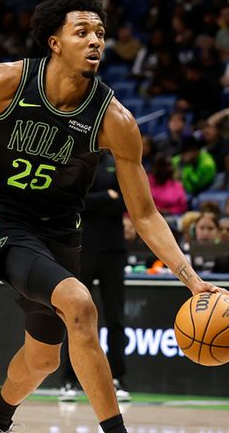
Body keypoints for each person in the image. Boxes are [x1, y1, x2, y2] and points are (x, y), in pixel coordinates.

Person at [0, 0, 229, 433]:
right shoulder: (6, 81)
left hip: (60, 238)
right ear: (54, 42)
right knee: (80, 303)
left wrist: (193, 280)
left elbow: (145, 215)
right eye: (82, 31)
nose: (95, 41)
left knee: (43, 358)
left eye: (100, 33)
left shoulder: (115, 121)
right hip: (1, 222)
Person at [59, 151, 131, 403]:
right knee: (76, 316)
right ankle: (69, 380)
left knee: (116, 318)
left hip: (114, 251)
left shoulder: (117, 162)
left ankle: (118, 379)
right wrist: (107, 197)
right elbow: (73, 202)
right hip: (82, 250)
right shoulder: (77, 162)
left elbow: (126, 202)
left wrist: (97, 201)